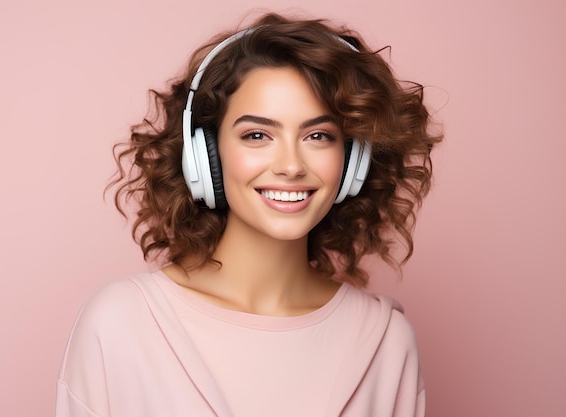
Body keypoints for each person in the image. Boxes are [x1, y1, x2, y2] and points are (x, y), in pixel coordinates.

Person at [56, 12, 441, 417]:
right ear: (205, 157)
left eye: (318, 136)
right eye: (257, 135)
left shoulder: (387, 343)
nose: (291, 165)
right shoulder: (120, 325)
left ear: (352, 162)